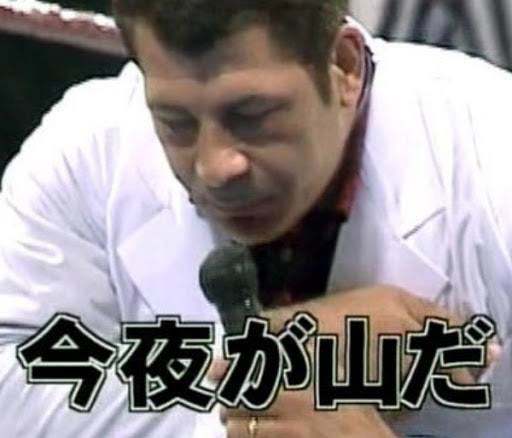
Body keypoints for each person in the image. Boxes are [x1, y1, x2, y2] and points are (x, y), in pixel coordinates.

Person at [0, 0, 511, 436]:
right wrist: (273, 377)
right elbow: (12, 387)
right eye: (176, 123)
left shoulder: (493, 155)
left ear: (344, 66)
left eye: (252, 116)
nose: (215, 167)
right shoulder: (85, 156)